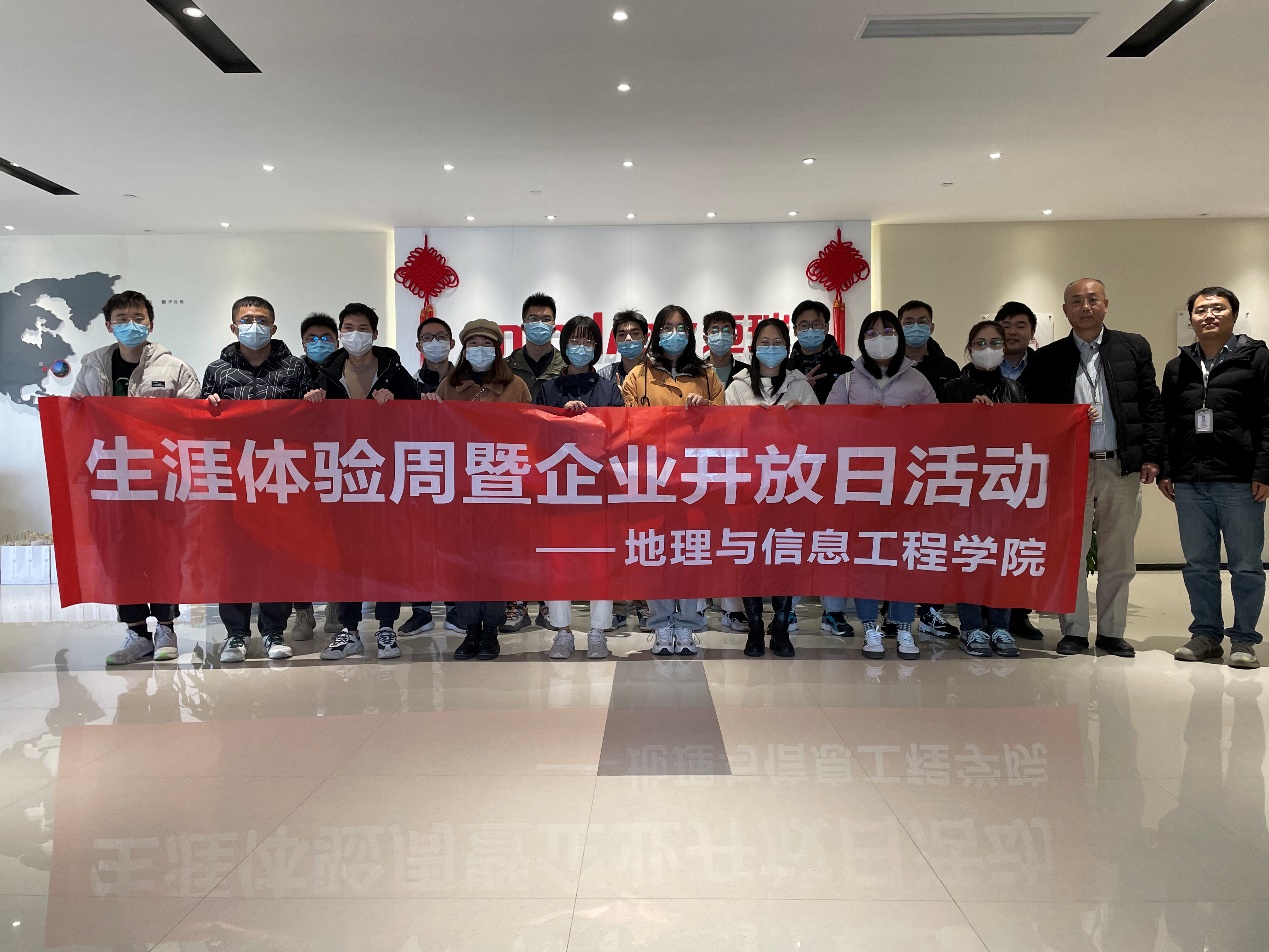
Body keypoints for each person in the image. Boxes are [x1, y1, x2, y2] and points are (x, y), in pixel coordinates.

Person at [1026, 278, 1165, 658]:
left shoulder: (1132, 347)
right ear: (1065, 310)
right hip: (1070, 470)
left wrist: (1152, 456)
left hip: (1120, 466)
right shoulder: (1049, 358)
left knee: (1118, 555)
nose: (1084, 307)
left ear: (1105, 304)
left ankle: (1111, 632)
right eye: (1076, 301)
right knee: (1070, 552)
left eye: (1092, 299)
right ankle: (1073, 630)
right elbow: (1038, 418)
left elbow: (1151, 404)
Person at [71, 290, 200, 665]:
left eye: (138, 317)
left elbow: (192, 420)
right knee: (119, 554)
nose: (131, 324)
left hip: (160, 479)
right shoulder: (92, 367)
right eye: (122, 318)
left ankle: (166, 627)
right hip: (111, 479)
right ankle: (136, 632)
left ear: (151, 323)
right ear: (108, 325)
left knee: (164, 552)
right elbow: (75, 416)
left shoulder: (174, 368)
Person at [304, 303, 420, 661]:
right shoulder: (326, 374)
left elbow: (417, 417)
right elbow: (307, 427)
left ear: (375, 333)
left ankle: (386, 626)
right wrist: (311, 403)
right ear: (341, 333)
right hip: (343, 476)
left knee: (387, 553)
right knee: (347, 555)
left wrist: (397, 402)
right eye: (349, 328)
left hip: (386, 476)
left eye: (363, 328)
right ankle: (349, 629)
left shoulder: (394, 370)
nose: (356, 334)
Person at [1161, 287, 1269, 670]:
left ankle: (1244, 640)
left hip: (1240, 480)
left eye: (1218, 308)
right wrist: (1168, 469)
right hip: (1191, 481)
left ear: (1233, 315)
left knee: (1246, 565)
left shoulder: (1256, 359)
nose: (1209, 315)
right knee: (1198, 564)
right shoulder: (1177, 367)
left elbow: (1268, 418)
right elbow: (1168, 422)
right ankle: (1206, 634)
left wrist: (1264, 470)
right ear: (1190, 318)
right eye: (1201, 310)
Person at [201, 295, 309, 663]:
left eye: (261, 320)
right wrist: (209, 407)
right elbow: (200, 423)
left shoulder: (295, 368)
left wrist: (314, 402)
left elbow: (311, 422)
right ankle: (236, 634)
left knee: (278, 556)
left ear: (274, 327)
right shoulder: (217, 370)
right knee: (232, 557)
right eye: (246, 320)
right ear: (234, 327)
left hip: (279, 476)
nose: (254, 326)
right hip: (233, 478)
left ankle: (274, 631)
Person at [827, 310, 937, 661]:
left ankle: (904, 628)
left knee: (903, 556)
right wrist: (860, 420)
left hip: (907, 483)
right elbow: (826, 430)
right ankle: (870, 627)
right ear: (862, 340)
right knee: (866, 556)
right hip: (862, 484)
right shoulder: (847, 382)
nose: (880, 339)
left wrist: (913, 421)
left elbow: (940, 429)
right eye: (871, 333)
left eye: (887, 331)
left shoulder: (918, 380)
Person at [622, 305, 723, 654]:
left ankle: (689, 625)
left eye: (680, 328)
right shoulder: (638, 375)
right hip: (654, 478)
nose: (674, 334)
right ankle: (661, 624)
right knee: (656, 551)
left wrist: (706, 409)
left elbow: (727, 424)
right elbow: (627, 426)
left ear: (690, 334)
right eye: (667, 328)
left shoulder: (707, 375)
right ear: (657, 333)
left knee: (690, 550)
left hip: (695, 479)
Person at [437, 318, 533, 660]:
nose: (480, 350)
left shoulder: (515, 386)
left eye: (487, 344)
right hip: (461, 487)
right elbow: (434, 432)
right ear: (464, 349)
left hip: (500, 485)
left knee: (495, 560)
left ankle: (490, 629)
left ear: (498, 349)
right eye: (473, 344)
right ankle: (470, 630)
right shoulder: (449, 385)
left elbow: (531, 430)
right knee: (464, 561)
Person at [533, 314, 626, 658]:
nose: (581, 347)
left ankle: (598, 631)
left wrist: (587, 421)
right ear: (564, 344)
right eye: (575, 340)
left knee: (600, 562)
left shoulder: (608, 389)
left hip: (599, 489)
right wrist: (561, 416)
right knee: (559, 562)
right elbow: (534, 436)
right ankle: (563, 631)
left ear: (597, 347)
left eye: (588, 341)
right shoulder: (548, 390)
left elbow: (620, 436)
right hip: (558, 489)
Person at [723, 318, 816, 657]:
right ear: (753, 346)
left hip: (789, 486)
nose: (771, 348)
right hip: (749, 487)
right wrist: (747, 419)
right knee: (750, 555)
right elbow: (724, 436)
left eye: (778, 342)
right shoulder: (737, 387)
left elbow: (822, 433)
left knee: (784, 555)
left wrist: (802, 416)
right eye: (765, 341)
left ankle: (780, 627)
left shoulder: (800, 385)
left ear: (787, 347)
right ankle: (754, 628)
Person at [939, 320, 1024, 658]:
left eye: (995, 343)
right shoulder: (951, 389)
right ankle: (972, 626)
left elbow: (1030, 435)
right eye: (980, 343)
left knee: (1001, 556)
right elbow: (938, 436)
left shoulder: (1016, 391)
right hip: (964, 486)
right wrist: (970, 417)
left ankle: (1001, 625)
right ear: (969, 349)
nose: (988, 349)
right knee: (970, 555)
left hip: (1003, 485)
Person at [292, 311, 341, 642]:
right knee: (299, 545)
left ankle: (336, 604)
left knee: (339, 542)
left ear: (336, 341)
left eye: (326, 338)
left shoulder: (348, 369)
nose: (319, 343)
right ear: (303, 343)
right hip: (298, 468)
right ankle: (303, 610)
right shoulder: (291, 371)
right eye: (313, 338)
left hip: (341, 466)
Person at [788, 299, 853, 404]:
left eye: (816, 324)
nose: (810, 329)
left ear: (826, 327)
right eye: (804, 325)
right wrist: (801, 388)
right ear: (795, 330)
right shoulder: (786, 367)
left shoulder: (845, 365)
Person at [508, 291, 565, 399]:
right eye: (533, 319)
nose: (540, 324)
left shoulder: (566, 368)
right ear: (523, 327)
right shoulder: (506, 368)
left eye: (546, 319)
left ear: (554, 328)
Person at [897, 299, 960, 395]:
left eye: (922, 321)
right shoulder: (888, 366)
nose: (916, 327)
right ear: (899, 328)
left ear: (932, 328)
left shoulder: (948, 367)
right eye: (909, 322)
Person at [597, 309, 648, 387]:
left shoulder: (658, 374)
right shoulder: (603, 376)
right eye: (622, 334)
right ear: (615, 341)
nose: (628, 338)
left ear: (645, 339)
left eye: (635, 333)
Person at [701, 310, 750, 388]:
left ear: (734, 338)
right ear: (706, 339)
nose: (720, 335)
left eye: (726, 331)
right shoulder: (697, 372)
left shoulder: (747, 372)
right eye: (714, 331)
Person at [996, 301, 1037, 384]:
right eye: (1006, 327)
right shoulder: (977, 369)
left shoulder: (1046, 367)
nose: (1012, 332)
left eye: (1020, 327)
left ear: (1032, 333)